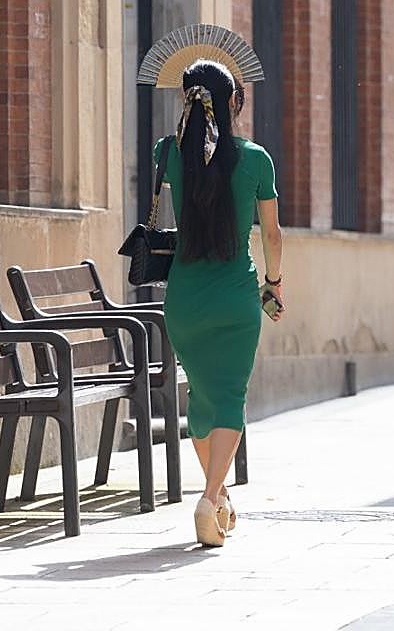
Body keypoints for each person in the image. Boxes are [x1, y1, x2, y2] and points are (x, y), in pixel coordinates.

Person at [154, 61, 284, 547]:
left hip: (184, 301)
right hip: (235, 300)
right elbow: (272, 233)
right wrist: (275, 283)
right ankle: (209, 498)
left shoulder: (166, 154)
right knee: (229, 396)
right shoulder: (255, 159)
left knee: (201, 398)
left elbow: (191, 157)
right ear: (233, 103)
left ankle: (221, 495)